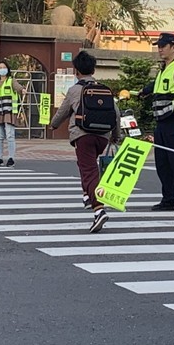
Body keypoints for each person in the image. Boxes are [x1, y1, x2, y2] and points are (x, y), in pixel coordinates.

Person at [50, 51, 120, 233]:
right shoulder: (104, 89)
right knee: (88, 167)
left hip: (83, 135)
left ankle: (99, 210)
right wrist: (115, 135)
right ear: (93, 69)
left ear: (76, 71)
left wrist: (53, 125)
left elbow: (63, 111)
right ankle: (87, 196)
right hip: (102, 136)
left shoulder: (74, 90)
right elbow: (116, 113)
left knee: (88, 171)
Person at [140, 32, 174, 214]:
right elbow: (155, 86)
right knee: (162, 163)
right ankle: (168, 199)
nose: (160, 49)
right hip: (162, 123)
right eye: (158, 46)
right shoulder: (164, 68)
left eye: (163, 46)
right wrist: (142, 92)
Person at [0, 60, 26, 167]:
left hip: (9, 112)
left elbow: (18, 88)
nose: (2, 69)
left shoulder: (11, 80)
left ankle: (11, 158)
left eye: (4, 67)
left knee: (10, 136)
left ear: (7, 69)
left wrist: (22, 90)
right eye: (0, 68)